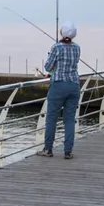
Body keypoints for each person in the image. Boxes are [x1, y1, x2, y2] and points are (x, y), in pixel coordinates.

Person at [37, 21, 80, 159]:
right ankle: (68, 152)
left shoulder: (56, 47)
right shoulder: (77, 48)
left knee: (51, 119)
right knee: (69, 119)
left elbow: (48, 67)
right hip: (74, 85)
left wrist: (51, 57)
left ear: (62, 32)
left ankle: (48, 149)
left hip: (58, 85)